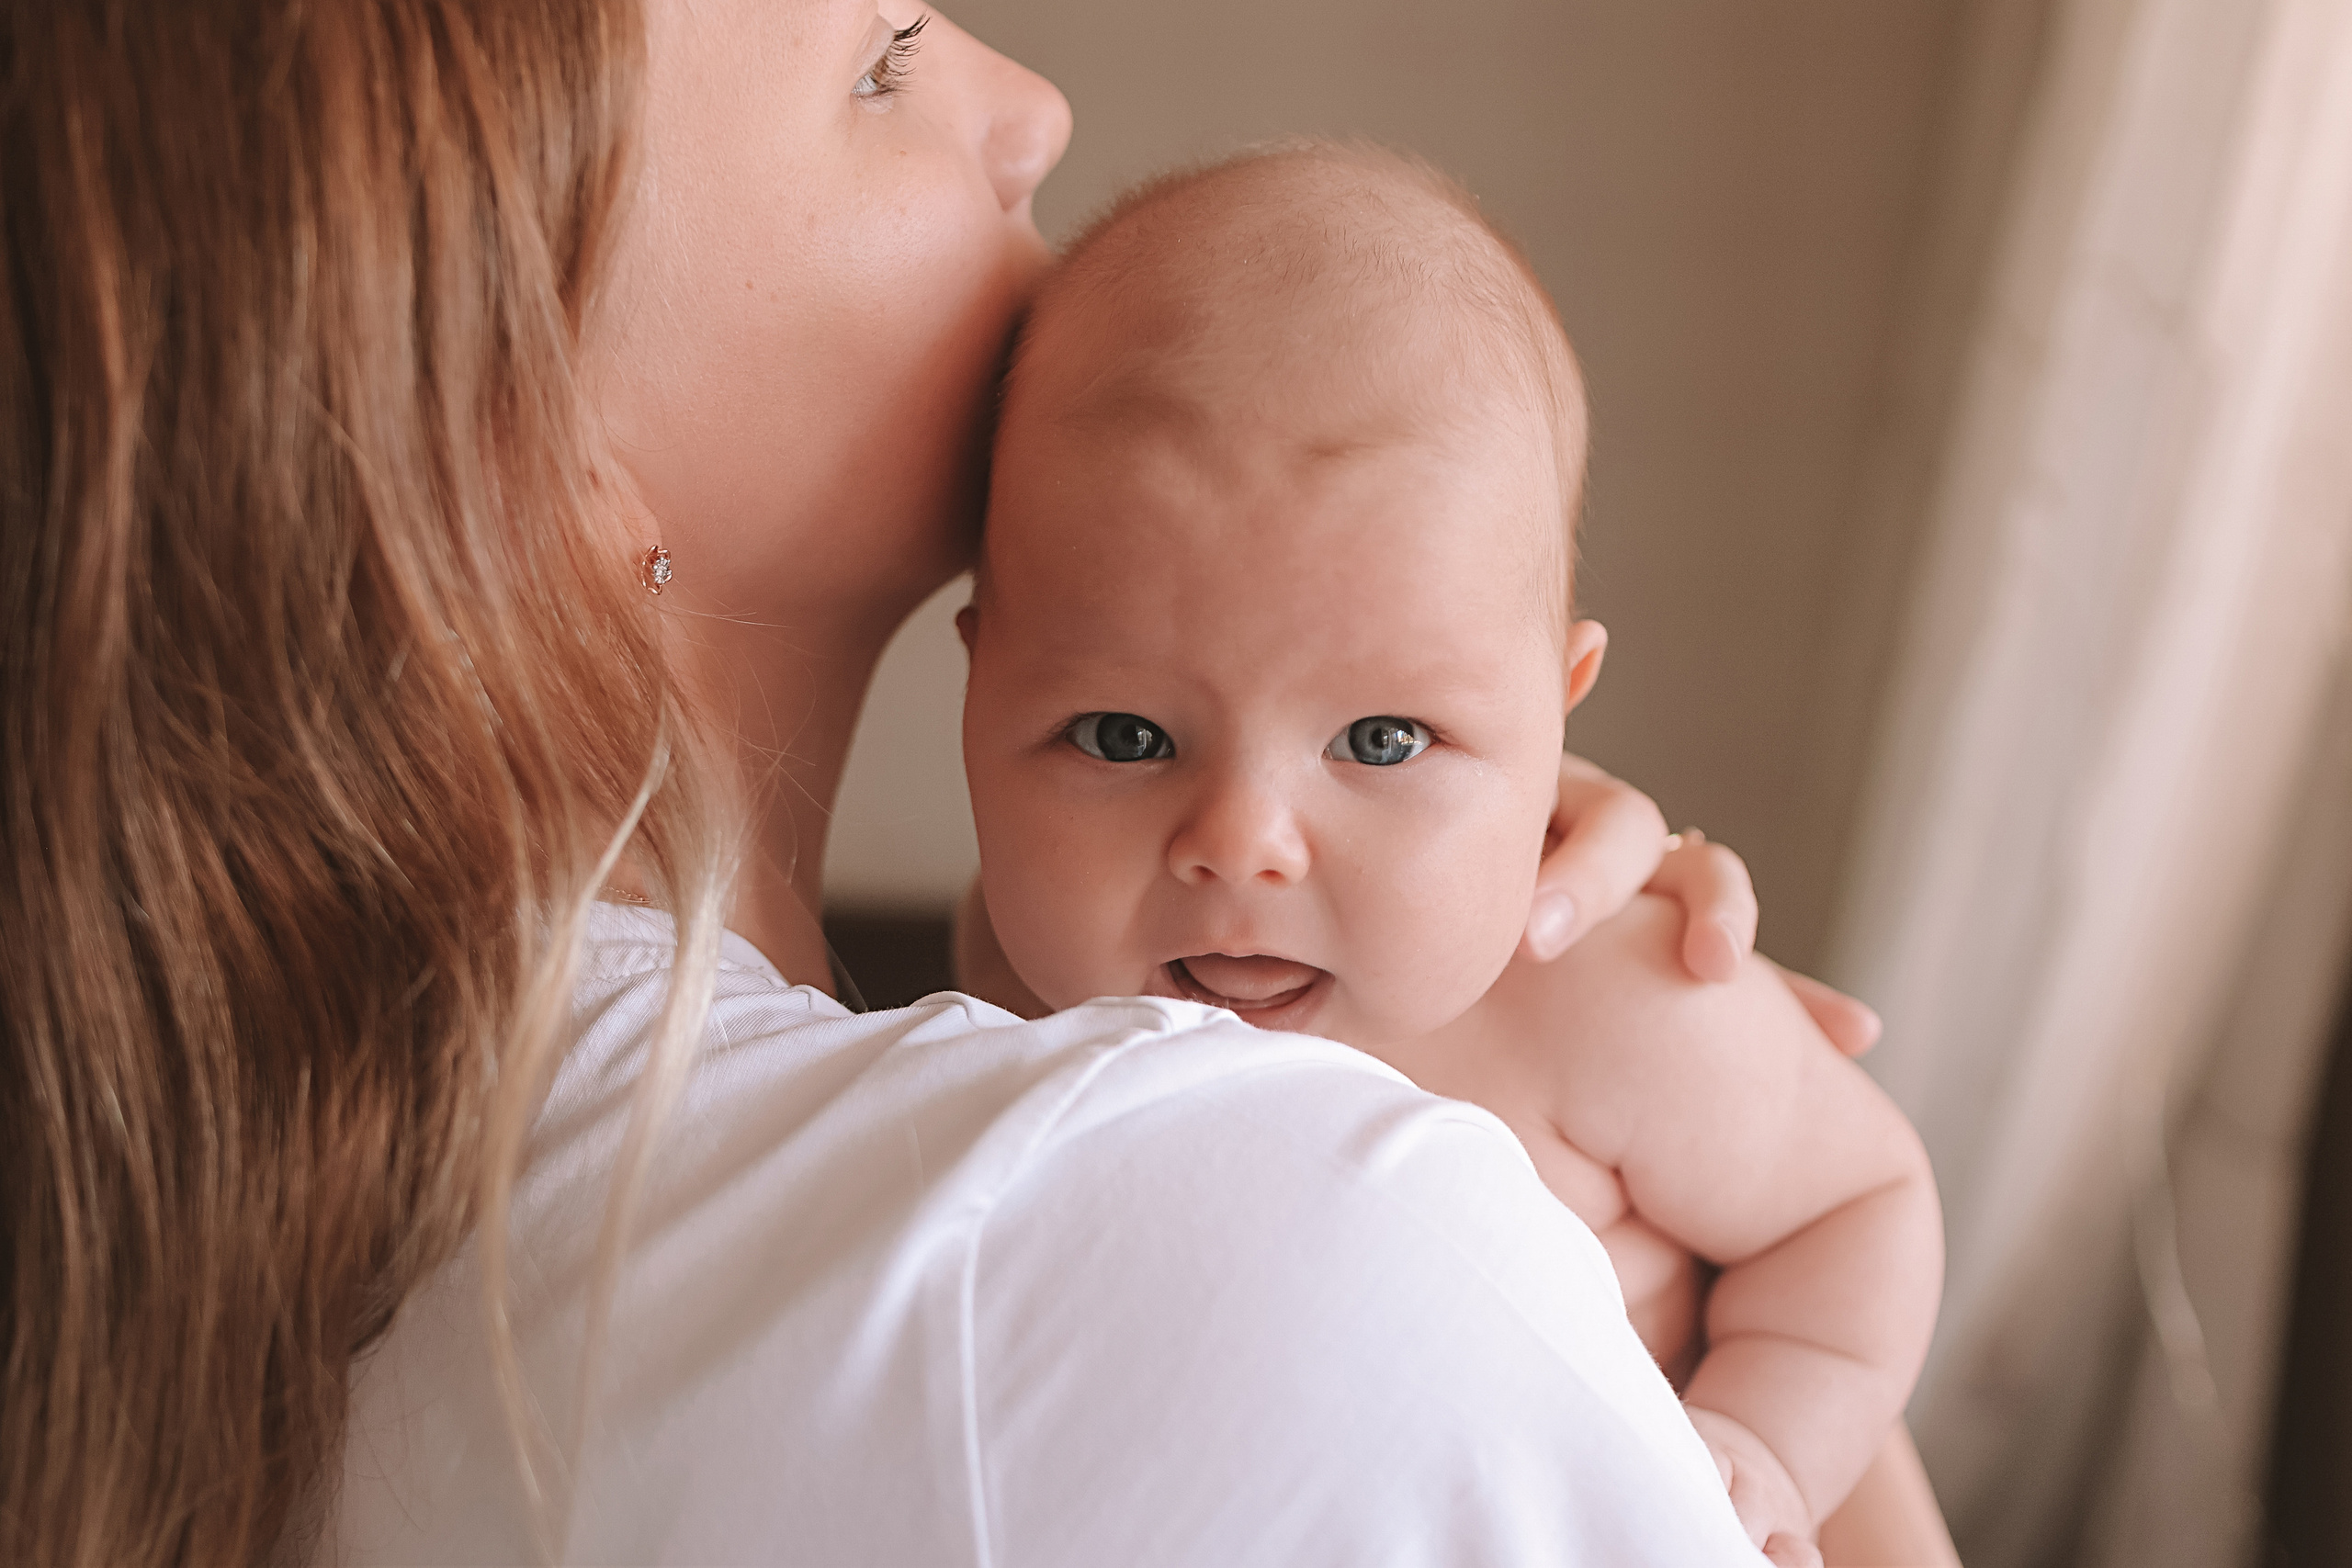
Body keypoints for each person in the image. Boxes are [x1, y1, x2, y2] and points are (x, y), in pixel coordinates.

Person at [0, 4, 1878, 1565]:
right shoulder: (1226, 1240)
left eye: (1382, 736)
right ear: (530, 464)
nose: (1029, 108)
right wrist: (1701, 1288)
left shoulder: (277, 1176)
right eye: (879, 61)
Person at [953, 142, 1943, 1565]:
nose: (1240, 846)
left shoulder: (1612, 997)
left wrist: (1765, 1439)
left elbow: (1862, 1200)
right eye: (1120, 735)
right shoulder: (1019, 966)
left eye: (1381, 743)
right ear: (983, 691)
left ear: (1555, 719)